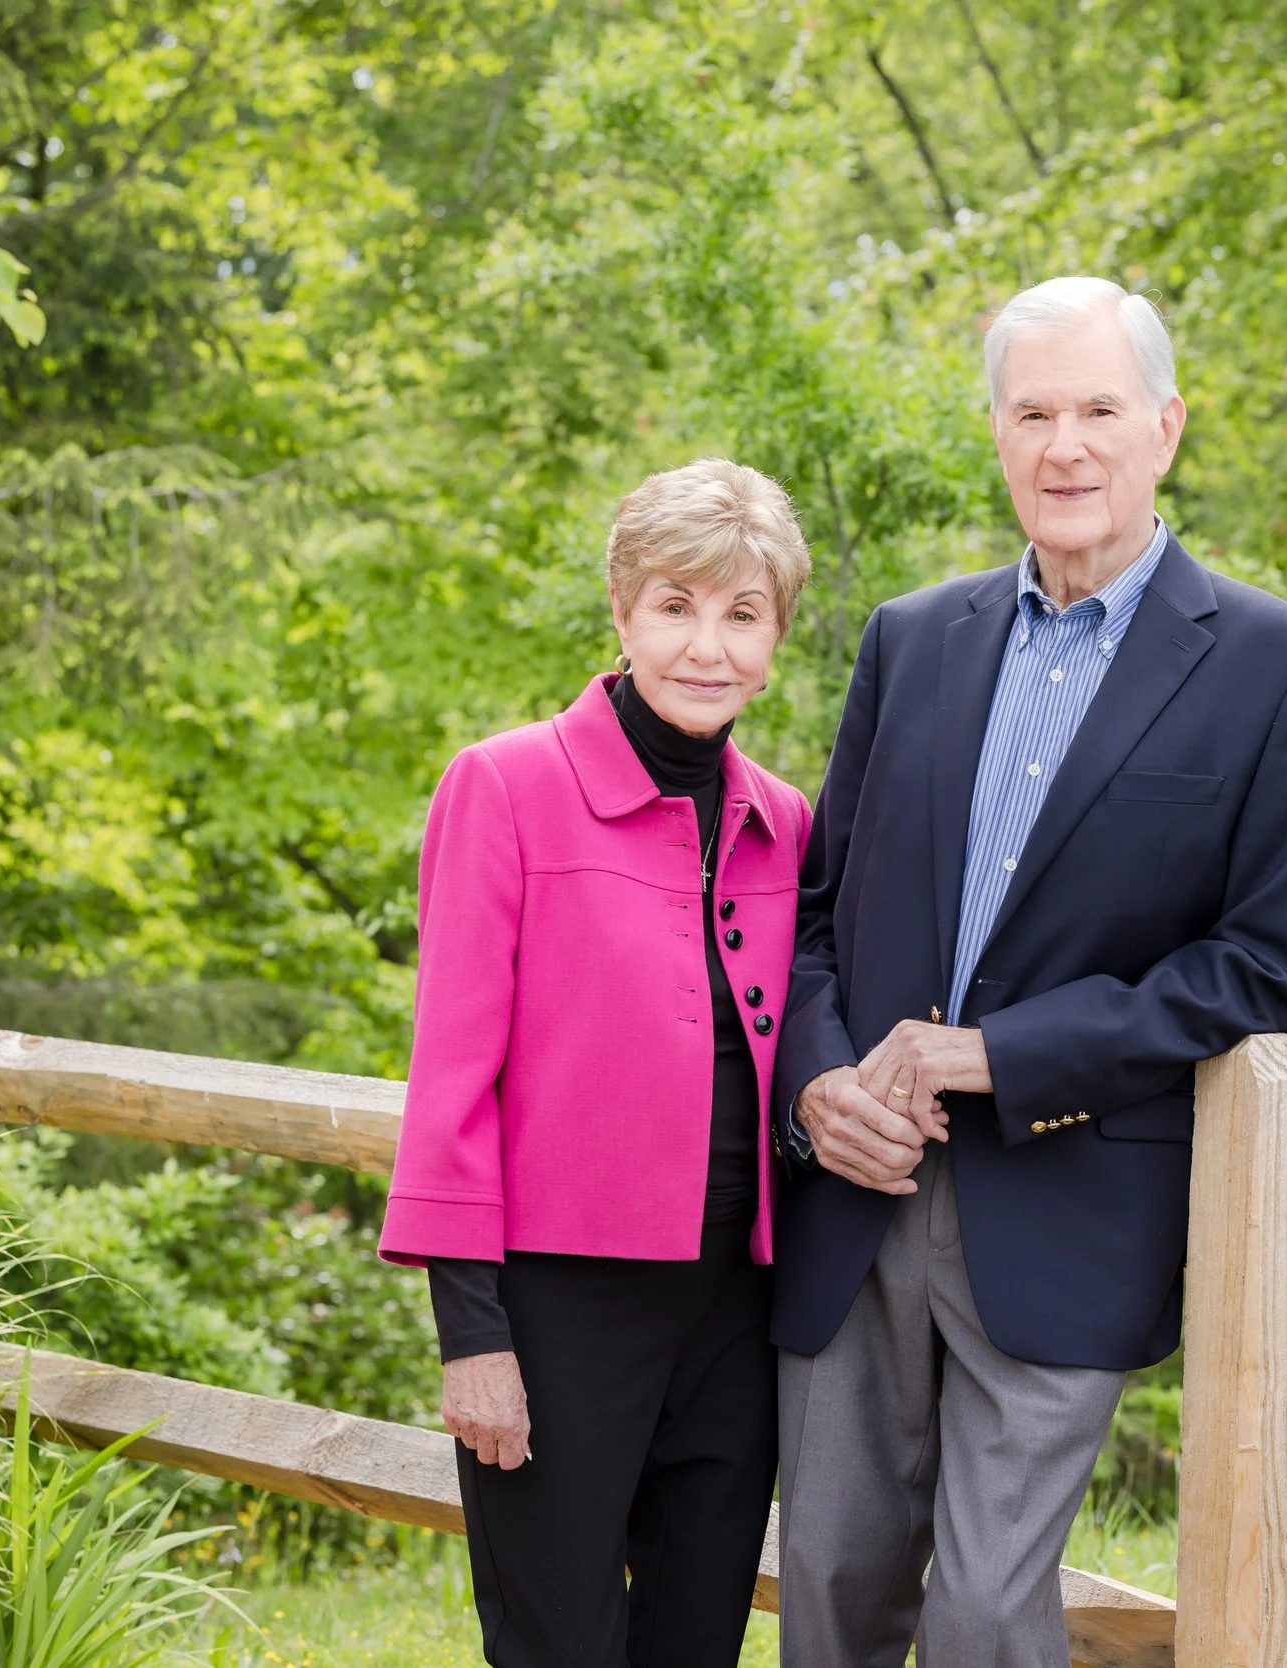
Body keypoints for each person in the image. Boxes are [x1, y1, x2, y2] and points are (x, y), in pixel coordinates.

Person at [770, 277, 1287, 1666]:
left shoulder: (1281, 668)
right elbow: (810, 918)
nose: (1066, 445)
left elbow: (1267, 967)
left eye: (1098, 409)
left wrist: (1004, 1052)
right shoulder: (911, 640)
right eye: (1033, 412)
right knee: (831, 1591)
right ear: (997, 432)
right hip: (858, 1198)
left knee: (983, 1619)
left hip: (1072, 1199)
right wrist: (816, 1088)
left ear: (1166, 428)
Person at [379, 458, 813, 1668]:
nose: (707, 647)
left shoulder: (792, 824)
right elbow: (451, 1079)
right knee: (558, 1649)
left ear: (776, 638)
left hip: (740, 1315)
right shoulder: (505, 788)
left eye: (742, 614)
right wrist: (473, 1336)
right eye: (677, 606)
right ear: (621, 614)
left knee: (696, 1643)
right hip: (556, 1311)